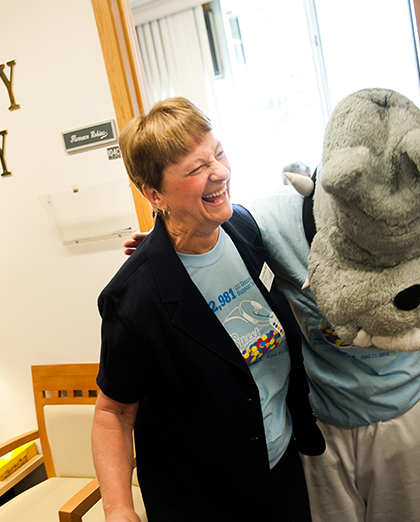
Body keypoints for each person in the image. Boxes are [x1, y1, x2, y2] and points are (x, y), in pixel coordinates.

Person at [125, 179, 420, 522]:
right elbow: (220, 229)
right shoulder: (275, 219)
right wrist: (178, 242)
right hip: (322, 421)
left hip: (403, 414)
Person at [92, 97, 324, 522]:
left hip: (283, 474)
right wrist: (118, 507)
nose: (219, 172)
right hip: (202, 501)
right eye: (196, 169)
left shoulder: (243, 231)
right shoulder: (136, 299)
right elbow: (113, 412)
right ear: (154, 193)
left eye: (217, 153)